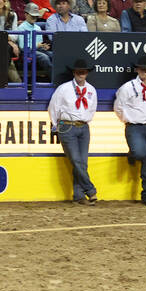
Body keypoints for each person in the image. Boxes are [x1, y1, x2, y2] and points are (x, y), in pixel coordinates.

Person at [47, 55, 99, 206]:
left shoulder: (91, 90)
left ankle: (78, 195)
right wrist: (56, 125)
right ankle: (90, 190)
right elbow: (53, 107)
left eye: (83, 72)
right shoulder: (64, 89)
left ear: (87, 73)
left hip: (83, 126)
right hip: (67, 126)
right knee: (76, 160)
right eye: (78, 72)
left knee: (82, 162)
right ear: (74, 73)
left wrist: (85, 120)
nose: (81, 74)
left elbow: (93, 108)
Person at [114, 54, 146, 206]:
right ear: (137, 70)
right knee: (140, 153)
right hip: (134, 127)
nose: (144, 71)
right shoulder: (127, 88)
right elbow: (118, 107)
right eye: (142, 69)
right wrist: (128, 120)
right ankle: (133, 153)